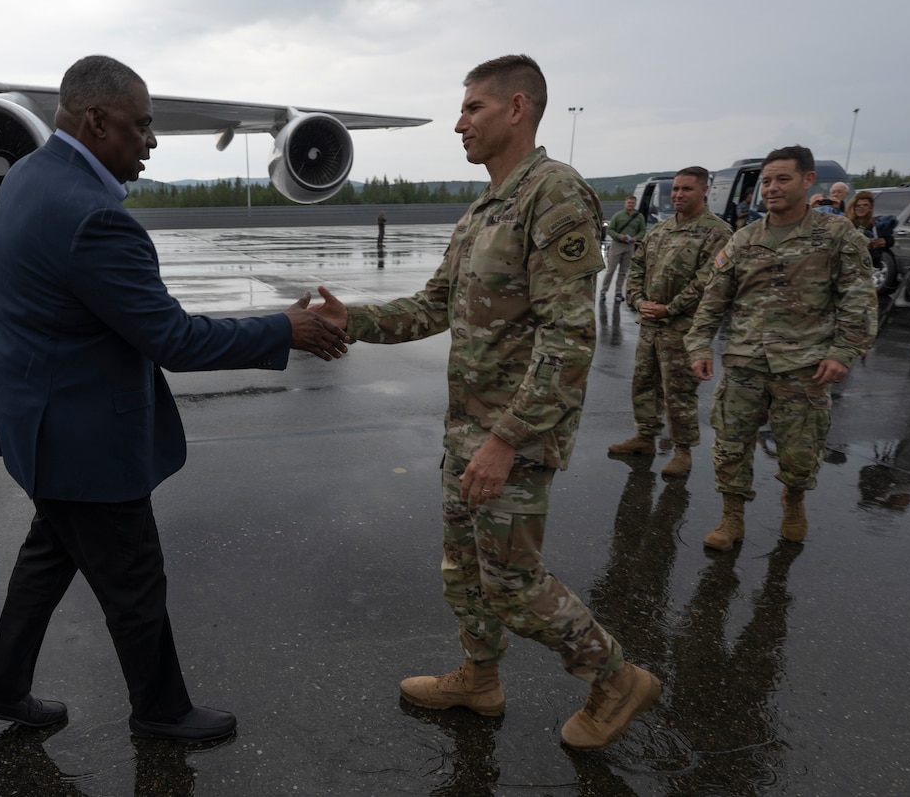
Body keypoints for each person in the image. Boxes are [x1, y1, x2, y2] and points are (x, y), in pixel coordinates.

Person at [0, 55, 349, 741]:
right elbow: (173, 339)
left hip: (38, 421)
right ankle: (161, 711)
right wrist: (283, 328)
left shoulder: (27, 176)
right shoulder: (92, 216)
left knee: (50, 554)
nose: (152, 141)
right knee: (134, 582)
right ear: (98, 120)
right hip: (82, 436)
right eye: (142, 126)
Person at [313, 54, 661, 751]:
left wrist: (507, 440)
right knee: (464, 570)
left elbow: (568, 336)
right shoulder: (483, 210)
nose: (458, 122)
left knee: (510, 581)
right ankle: (479, 677)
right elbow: (435, 303)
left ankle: (615, 675)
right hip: (468, 427)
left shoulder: (554, 194)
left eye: (473, 107)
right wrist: (353, 320)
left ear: (518, 108)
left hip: (515, 434)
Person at [686, 145, 877, 550]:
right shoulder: (744, 238)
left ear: (808, 181)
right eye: (767, 181)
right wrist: (700, 344)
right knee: (731, 444)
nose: (771, 188)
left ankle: (793, 500)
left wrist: (842, 352)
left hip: (804, 367)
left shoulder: (836, 235)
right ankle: (731, 516)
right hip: (745, 363)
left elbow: (858, 299)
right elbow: (715, 297)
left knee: (799, 452)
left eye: (782, 179)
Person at [608, 167, 732, 477]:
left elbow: (708, 281)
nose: (678, 194)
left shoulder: (718, 233)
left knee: (678, 391)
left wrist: (670, 308)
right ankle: (645, 437)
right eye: (675, 189)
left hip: (685, 328)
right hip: (651, 324)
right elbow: (636, 268)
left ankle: (682, 451)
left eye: (686, 189)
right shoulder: (659, 230)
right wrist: (638, 301)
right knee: (644, 383)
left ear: (704, 190)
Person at [600, 195, 644, 303]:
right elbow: (610, 230)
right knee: (610, 270)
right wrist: (620, 236)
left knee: (623, 272)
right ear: (625, 203)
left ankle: (618, 292)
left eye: (632, 203)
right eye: (629, 203)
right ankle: (603, 291)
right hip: (617, 245)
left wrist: (636, 238)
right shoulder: (618, 216)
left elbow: (642, 231)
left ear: (635, 204)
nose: (630, 205)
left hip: (630, 246)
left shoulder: (639, 217)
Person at [846, 190, 894, 270]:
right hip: (850, 267)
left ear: (870, 208)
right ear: (853, 207)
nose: (861, 208)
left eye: (865, 205)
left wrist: (883, 241)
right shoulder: (847, 223)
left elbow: (890, 240)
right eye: (858, 206)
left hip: (870, 266)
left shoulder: (876, 224)